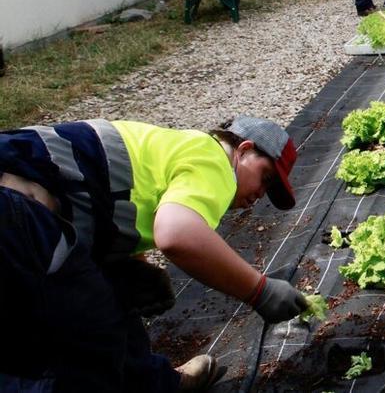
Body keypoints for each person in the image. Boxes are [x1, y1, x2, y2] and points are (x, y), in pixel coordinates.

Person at [0, 116, 310, 392]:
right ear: (242, 150)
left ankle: (162, 383)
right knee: (89, 345)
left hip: (24, 205)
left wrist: (131, 263)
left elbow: (107, 194)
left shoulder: (179, 147)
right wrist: (260, 291)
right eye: (265, 177)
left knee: (113, 313)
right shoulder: (215, 161)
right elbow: (176, 234)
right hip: (16, 207)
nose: (259, 194)